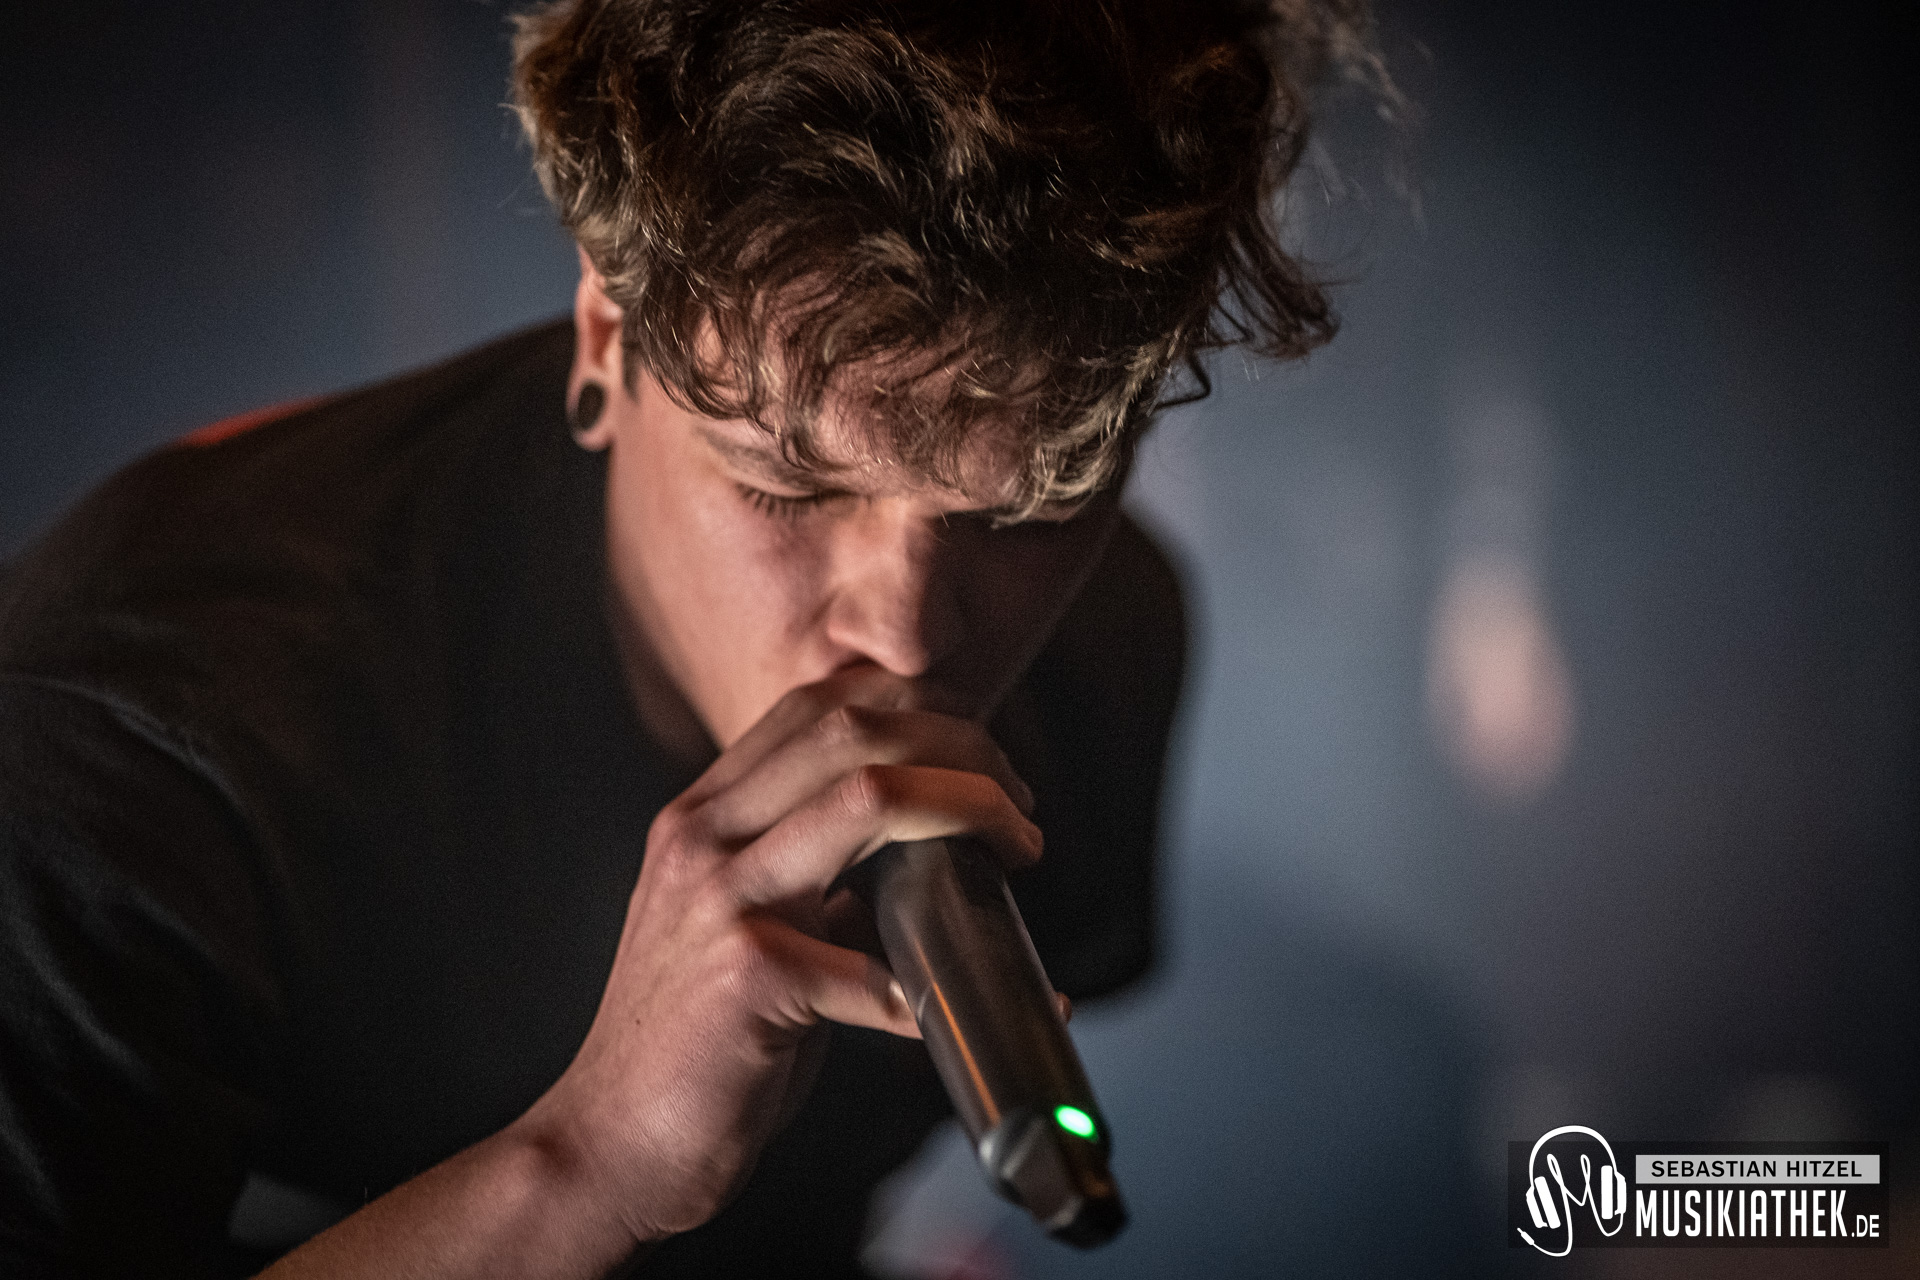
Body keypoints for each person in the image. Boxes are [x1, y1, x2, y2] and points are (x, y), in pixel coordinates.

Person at [0, 0, 1375, 1275]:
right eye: (789, 489)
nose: (905, 635)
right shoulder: (138, 721)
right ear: (607, 332)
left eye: (1027, 511)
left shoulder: (1107, 628)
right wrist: (584, 1168)